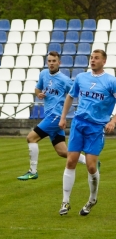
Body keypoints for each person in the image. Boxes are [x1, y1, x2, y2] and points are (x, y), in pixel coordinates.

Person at [58, 49, 116, 216]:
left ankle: (92, 199)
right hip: (78, 123)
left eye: (96, 58)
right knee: (70, 161)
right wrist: (63, 117)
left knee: (91, 166)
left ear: (104, 61)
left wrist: (113, 120)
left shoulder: (111, 81)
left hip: (96, 127)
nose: (92, 60)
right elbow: (70, 96)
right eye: (91, 57)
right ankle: (65, 201)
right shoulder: (81, 78)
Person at [17, 51, 86, 181]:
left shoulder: (65, 80)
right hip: (49, 116)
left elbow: (76, 94)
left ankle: (33, 171)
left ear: (59, 63)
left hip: (56, 116)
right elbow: (37, 89)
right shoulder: (43, 74)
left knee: (31, 138)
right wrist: (38, 94)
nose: (51, 63)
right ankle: (90, 162)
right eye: (49, 61)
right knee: (62, 152)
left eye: (54, 61)